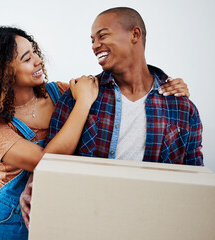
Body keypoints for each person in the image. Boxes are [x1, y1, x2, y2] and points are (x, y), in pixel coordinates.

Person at [0, 26, 190, 239]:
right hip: (3, 224)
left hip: (50, 213)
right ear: (3, 73)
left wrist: (165, 88)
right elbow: (46, 161)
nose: (38, 60)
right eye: (27, 58)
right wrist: (83, 102)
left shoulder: (59, 93)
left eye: (35, 52)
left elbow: (118, 94)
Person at [20, 6, 203, 229]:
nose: (94, 45)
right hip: (86, 222)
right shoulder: (77, 97)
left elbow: (195, 182)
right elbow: (52, 163)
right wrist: (34, 183)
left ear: (135, 34)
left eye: (102, 35)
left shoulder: (183, 108)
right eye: (92, 40)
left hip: (152, 225)